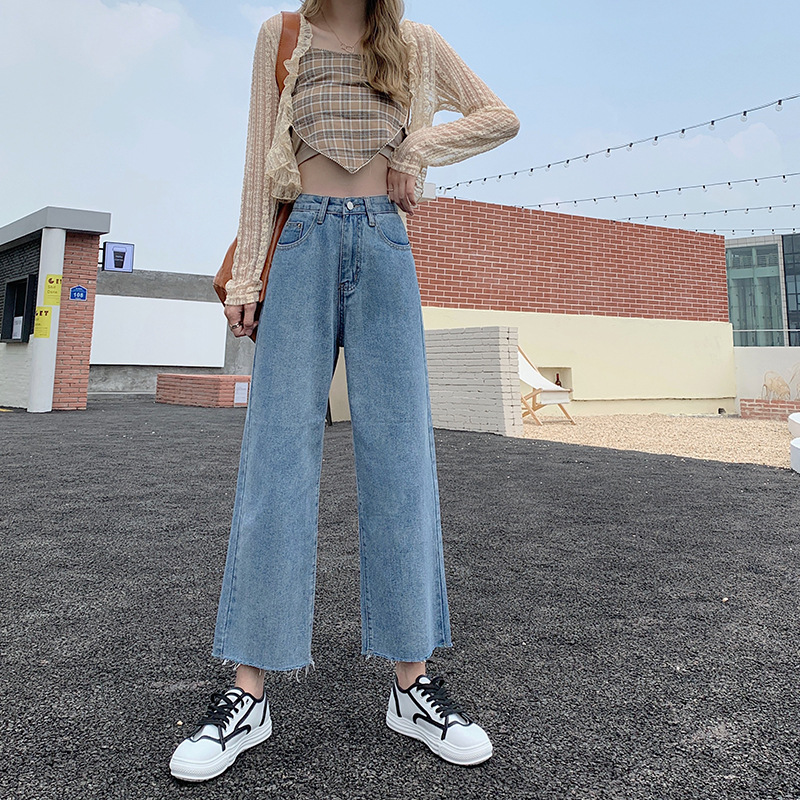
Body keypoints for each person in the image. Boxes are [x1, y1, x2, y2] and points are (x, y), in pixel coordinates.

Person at [169, 0, 519, 781]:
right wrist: (248, 274)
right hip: (301, 242)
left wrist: (418, 146)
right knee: (275, 463)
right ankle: (248, 694)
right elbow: (258, 161)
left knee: (402, 461)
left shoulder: (417, 43)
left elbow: (500, 116)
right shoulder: (282, 35)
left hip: (385, 242)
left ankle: (412, 686)